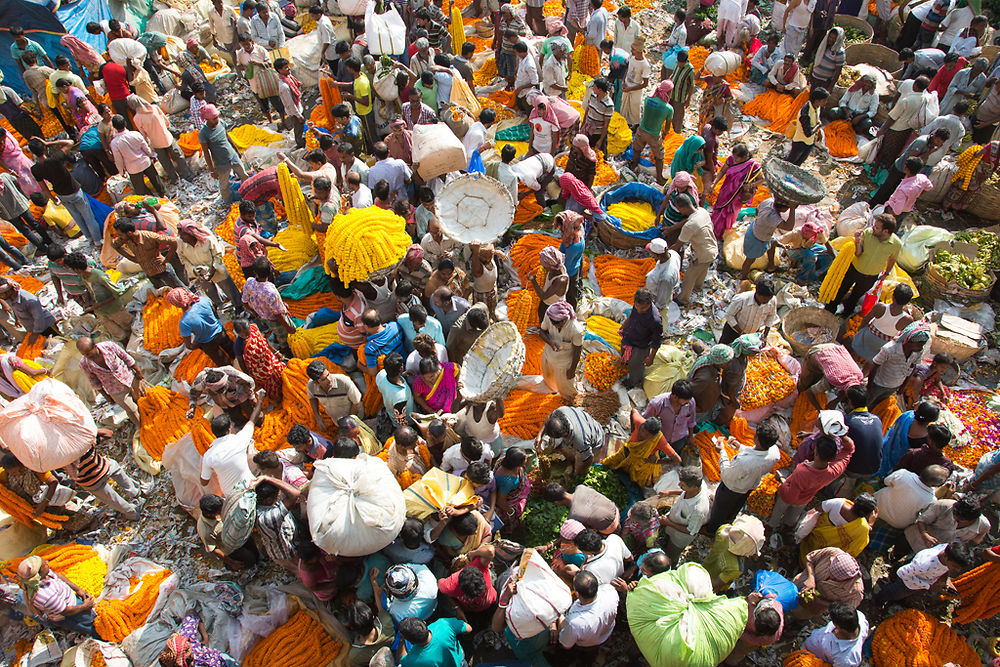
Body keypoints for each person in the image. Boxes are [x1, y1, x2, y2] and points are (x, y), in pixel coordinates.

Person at [704, 420, 782, 535]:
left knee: (719, 510)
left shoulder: (744, 462)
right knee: (735, 507)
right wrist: (740, 447)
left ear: (756, 439)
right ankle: (728, 522)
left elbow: (727, 475)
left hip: (731, 489)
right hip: (748, 487)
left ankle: (711, 530)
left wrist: (722, 453)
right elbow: (756, 452)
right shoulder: (775, 452)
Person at [770, 435, 855, 530]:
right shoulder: (833, 472)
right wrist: (843, 435)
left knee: (777, 513)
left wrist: (782, 484)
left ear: (816, 453)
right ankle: (787, 528)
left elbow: (790, 496)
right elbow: (848, 451)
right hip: (804, 499)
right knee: (792, 517)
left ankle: (772, 527)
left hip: (788, 496)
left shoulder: (802, 471)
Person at [825, 213, 902, 317]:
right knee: (840, 291)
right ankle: (827, 312)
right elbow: (858, 253)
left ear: (886, 231)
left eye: (877, 227)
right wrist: (857, 240)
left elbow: (892, 260)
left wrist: (886, 273)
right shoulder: (868, 233)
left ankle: (844, 315)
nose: (873, 228)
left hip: (870, 277)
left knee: (854, 297)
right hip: (854, 270)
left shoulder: (896, 244)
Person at [28, 138, 102, 244]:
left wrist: (53, 198)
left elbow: (44, 188)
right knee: (88, 216)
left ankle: (89, 239)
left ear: (33, 152)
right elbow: (70, 142)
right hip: (74, 191)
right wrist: (49, 143)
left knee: (77, 217)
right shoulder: (55, 159)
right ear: (44, 148)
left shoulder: (35, 169)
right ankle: (98, 241)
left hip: (61, 195)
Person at [872, 464, 948, 553]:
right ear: (935, 484)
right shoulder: (930, 499)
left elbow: (885, 481)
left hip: (876, 507)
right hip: (896, 524)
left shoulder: (903, 474)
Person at [16, 556, 98, 637]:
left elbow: (58, 576)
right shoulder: (45, 596)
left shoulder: (44, 575)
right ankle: (99, 635)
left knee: (93, 619)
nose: (47, 562)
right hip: (71, 615)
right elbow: (66, 611)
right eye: (44, 564)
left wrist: (78, 589)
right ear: (38, 574)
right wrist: (84, 606)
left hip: (73, 604)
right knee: (92, 626)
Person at [77, 337, 147, 425]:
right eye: (85, 354)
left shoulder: (109, 346)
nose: (88, 356)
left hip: (129, 378)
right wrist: (106, 396)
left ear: (95, 346)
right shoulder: (84, 364)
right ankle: (142, 426)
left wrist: (138, 371)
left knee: (142, 399)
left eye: (89, 353)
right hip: (115, 390)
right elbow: (94, 381)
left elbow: (126, 358)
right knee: (131, 409)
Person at [873, 541, 971, 604]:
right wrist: (930, 587)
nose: (957, 570)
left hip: (922, 580)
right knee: (893, 593)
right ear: (946, 557)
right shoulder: (924, 564)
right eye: (955, 567)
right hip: (907, 583)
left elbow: (945, 569)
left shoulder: (948, 549)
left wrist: (944, 580)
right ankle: (877, 600)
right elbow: (902, 573)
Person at [603, 410, 681, 487]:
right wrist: (632, 430)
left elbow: (677, 459)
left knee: (636, 482)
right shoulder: (639, 422)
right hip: (627, 451)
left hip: (642, 464)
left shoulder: (659, 440)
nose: (642, 434)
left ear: (653, 436)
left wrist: (657, 461)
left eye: (646, 435)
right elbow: (633, 411)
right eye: (642, 430)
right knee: (611, 464)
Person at [865, 321, 931, 409]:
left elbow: (913, 367)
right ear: (910, 340)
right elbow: (875, 365)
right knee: (867, 402)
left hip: (895, 385)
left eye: (923, 344)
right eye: (919, 343)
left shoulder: (918, 351)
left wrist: (903, 386)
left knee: (879, 405)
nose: (921, 347)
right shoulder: (890, 349)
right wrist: (870, 385)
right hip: (879, 384)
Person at [197, 105, 248, 205]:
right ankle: (228, 203)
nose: (216, 120)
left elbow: (227, 136)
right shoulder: (203, 133)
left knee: (244, 176)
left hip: (232, 156)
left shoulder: (221, 123)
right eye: (214, 119)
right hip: (221, 163)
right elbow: (206, 153)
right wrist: (212, 170)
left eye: (217, 117)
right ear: (207, 119)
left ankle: (247, 194)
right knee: (224, 185)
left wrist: (236, 150)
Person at [850, 283, 915, 363]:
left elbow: (866, 319)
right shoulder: (907, 319)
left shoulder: (880, 307)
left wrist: (860, 331)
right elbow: (904, 336)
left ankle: (853, 360)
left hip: (868, 336)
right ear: (907, 303)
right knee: (873, 361)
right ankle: (864, 373)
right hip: (883, 344)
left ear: (892, 296)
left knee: (857, 349)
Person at [556, 571, 619, 651]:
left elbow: (565, 645)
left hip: (587, 645)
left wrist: (560, 616)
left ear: (577, 594)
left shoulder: (575, 622)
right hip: (606, 633)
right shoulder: (610, 591)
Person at [711, 143, 762, 240]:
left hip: (737, 195)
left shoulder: (753, 166)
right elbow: (722, 171)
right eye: (733, 156)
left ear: (745, 157)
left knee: (730, 213)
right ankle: (714, 228)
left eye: (737, 158)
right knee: (719, 209)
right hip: (726, 190)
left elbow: (761, 179)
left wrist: (750, 185)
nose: (734, 159)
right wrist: (714, 183)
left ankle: (722, 233)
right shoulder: (730, 159)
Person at [537, 406, 606, 475]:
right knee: (566, 451)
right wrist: (539, 436)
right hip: (587, 425)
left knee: (579, 462)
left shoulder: (580, 441)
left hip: (596, 440)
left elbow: (589, 458)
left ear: (565, 434)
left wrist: (579, 472)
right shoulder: (561, 411)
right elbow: (549, 419)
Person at [630, 80, 675, 183]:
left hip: (641, 130)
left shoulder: (648, 100)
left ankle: (633, 167)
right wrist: (663, 136)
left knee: (637, 149)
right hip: (654, 135)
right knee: (659, 156)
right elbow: (667, 126)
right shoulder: (668, 108)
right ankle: (659, 177)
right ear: (668, 92)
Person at [539, 300, 584, 401]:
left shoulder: (576, 330)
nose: (553, 325)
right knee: (549, 380)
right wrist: (550, 342)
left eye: (556, 323)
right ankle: (553, 389)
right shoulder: (549, 315)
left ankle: (568, 399)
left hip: (564, 364)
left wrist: (572, 369)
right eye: (552, 322)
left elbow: (578, 351)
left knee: (567, 390)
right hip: (549, 355)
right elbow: (542, 332)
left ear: (564, 320)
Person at [619, 288, 663, 389]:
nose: (639, 310)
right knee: (625, 355)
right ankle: (626, 368)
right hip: (629, 336)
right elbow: (632, 315)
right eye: (637, 306)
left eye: (643, 308)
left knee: (636, 365)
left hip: (641, 345)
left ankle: (634, 382)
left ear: (649, 303)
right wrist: (624, 325)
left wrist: (651, 357)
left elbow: (657, 341)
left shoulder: (655, 320)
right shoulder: (637, 305)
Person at [802, 603, 869, 667]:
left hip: (812, 656)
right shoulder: (860, 617)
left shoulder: (846, 660)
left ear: (837, 626)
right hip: (813, 638)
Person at [543, 481, 621, 535]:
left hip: (611, 528)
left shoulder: (573, 516)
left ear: (557, 502)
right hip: (615, 509)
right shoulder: (580, 488)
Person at [721, 277, 779, 344]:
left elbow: (771, 316)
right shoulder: (741, 299)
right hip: (733, 331)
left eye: (769, 299)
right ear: (757, 293)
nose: (767, 301)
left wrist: (765, 335)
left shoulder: (773, 300)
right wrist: (741, 332)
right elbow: (729, 315)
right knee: (724, 350)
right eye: (764, 299)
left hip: (752, 333)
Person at [397, 616, 470, 667]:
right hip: (460, 662)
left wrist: (401, 640)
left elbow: (401, 659)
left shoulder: (412, 659)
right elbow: (469, 629)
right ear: (424, 623)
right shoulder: (444, 625)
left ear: (411, 642)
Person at [787, 87, 828, 166]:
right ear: (817, 100)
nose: (826, 102)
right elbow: (808, 133)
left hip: (810, 142)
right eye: (824, 100)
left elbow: (816, 119)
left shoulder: (817, 107)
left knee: (799, 163)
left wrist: (818, 131)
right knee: (790, 163)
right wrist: (818, 126)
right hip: (800, 142)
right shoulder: (805, 112)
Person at [644, 238, 681, 310]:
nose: (651, 255)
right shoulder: (673, 253)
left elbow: (663, 298)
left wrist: (657, 308)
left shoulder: (666, 277)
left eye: (652, 253)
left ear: (658, 256)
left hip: (658, 294)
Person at [668, 50, 695, 134]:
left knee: (677, 116)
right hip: (671, 93)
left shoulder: (690, 69)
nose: (679, 64)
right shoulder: (678, 64)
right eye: (678, 62)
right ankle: (668, 129)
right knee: (669, 113)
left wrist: (688, 99)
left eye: (681, 63)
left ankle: (676, 132)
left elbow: (691, 85)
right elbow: (673, 74)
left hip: (680, 96)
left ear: (685, 61)